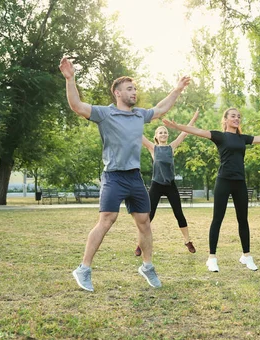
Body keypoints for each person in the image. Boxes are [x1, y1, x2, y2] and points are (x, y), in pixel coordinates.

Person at [59, 56, 190, 291]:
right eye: (130, 89)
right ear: (117, 93)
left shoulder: (139, 114)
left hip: (134, 177)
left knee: (144, 222)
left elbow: (161, 108)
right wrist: (70, 79)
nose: (134, 92)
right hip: (113, 176)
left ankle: (147, 267)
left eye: (135, 88)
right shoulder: (104, 114)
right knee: (107, 219)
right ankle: (84, 269)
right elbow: (77, 106)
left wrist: (177, 89)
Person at [162, 108, 260, 272]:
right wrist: (178, 127)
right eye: (233, 116)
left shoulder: (243, 138)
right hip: (223, 181)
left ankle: (246, 256)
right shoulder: (220, 136)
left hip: (239, 182)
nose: (237, 118)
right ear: (225, 120)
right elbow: (198, 131)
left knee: (243, 220)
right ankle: (212, 257)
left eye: (239, 116)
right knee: (217, 219)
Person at [133, 110, 200, 256]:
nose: (163, 134)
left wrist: (194, 117)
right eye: (160, 133)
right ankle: (140, 244)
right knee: (148, 216)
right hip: (156, 185)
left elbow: (184, 132)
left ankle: (187, 241)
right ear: (156, 136)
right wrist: (131, 118)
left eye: (165, 132)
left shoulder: (172, 147)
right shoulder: (153, 148)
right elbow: (138, 134)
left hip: (170, 185)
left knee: (179, 214)